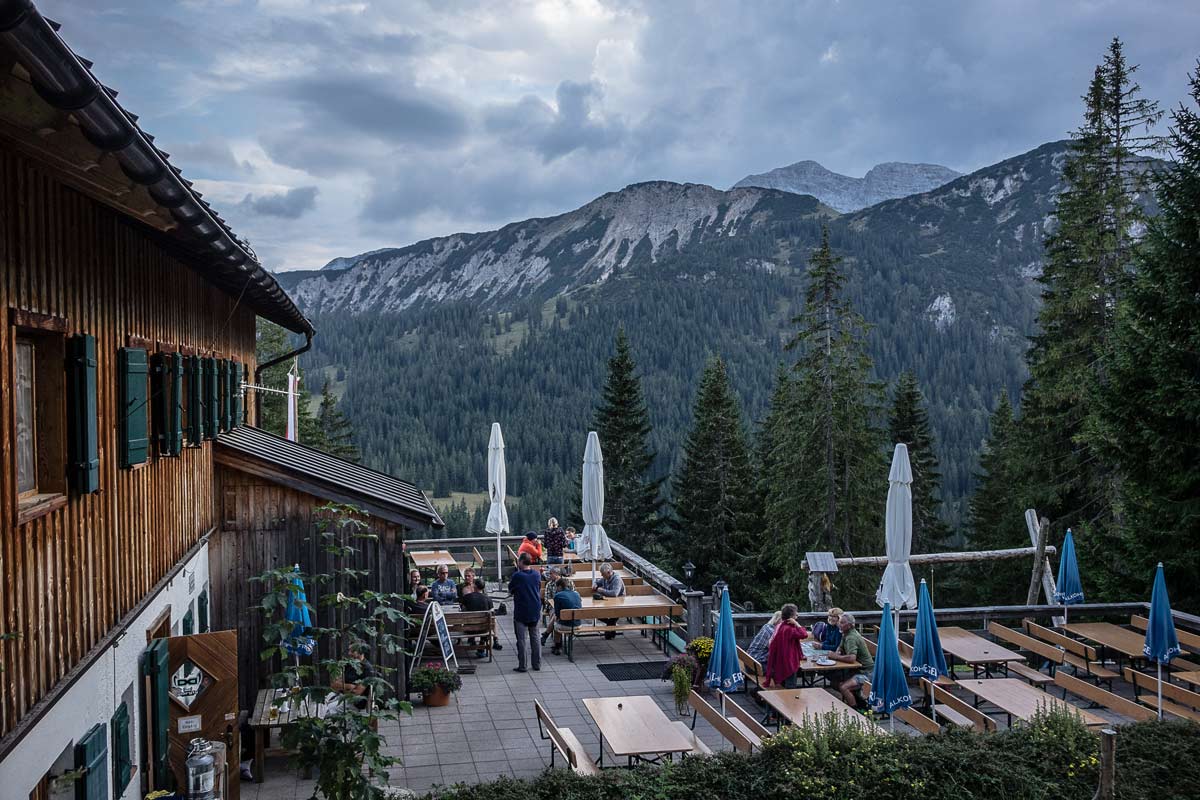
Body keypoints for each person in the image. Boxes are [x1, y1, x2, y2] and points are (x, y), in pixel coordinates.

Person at [829, 612, 874, 708]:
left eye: (842, 623)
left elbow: (852, 658)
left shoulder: (851, 637)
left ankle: (855, 710)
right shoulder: (845, 634)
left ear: (849, 625)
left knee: (843, 687)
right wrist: (838, 652)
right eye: (839, 622)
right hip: (856, 670)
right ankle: (858, 701)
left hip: (867, 673)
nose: (839, 625)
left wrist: (835, 656)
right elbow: (840, 648)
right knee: (834, 682)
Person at [508, 553, 543, 672]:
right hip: (535, 608)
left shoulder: (517, 576)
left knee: (521, 639)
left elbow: (511, 589)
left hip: (522, 610)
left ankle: (523, 665)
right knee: (535, 637)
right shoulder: (536, 574)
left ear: (521, 562)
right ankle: (537, 664)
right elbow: (538, 587)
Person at [764, 604, 809, 688]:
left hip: (781, 660)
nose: (797, 615)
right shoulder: (789, 629)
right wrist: (797, 623)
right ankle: (790, 700)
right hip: (789, 662)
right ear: (791, 616)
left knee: (784, 683)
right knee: (790, 685)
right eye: (796, 614)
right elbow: (804, 634)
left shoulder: (779, 626)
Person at [331, 643, 374, 710]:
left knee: (325, 711)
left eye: (352, 651)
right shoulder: (348, 664)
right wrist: (350, 686)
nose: (349, 653)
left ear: (361, 651)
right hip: (339, 695)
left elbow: (357, 693)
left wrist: (341, 686)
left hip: (353, 702)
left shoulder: (367, 669)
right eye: (349, 650)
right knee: (317, 705)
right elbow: (333, 685)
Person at [460, 577, 492, 658]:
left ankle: (472, 640)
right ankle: (481, 646)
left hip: (469, 630)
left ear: (474, 586)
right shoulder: (488, 599)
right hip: (483, 630)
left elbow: (462, 610)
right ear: (483, 588)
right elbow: (492, 614)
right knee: (485, 622)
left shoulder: (467, 597)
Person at [592, 563, 626, 639]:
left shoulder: (617, 579)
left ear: (609, 572)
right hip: (607, 601)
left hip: (619, 604)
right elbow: (597, 582)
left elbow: (615, 593)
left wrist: (601, 590)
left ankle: (609, 632)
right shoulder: (605, 578)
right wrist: (594, 585)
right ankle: (611, 627)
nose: (602, 576)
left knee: (612, 618)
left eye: (603, 574)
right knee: (597, 614)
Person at [551, 577, 582, 655]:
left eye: (556, 587)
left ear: (560, 587)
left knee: (555, 625)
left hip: (566, 626)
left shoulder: (558, 595)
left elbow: (558, 614)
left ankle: (558, 647)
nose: (556, 589)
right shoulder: (576, 594)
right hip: (578, 624)